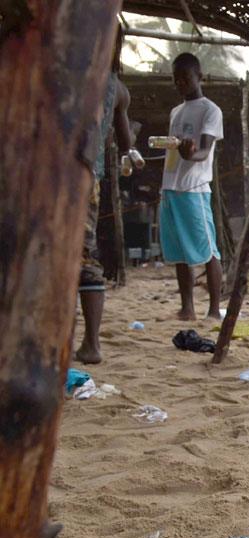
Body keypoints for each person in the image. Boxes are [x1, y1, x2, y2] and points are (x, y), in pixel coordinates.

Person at [76, 27, 137, 364]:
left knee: (78, 259)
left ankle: (90, 345)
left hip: (63, 177)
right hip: (87, 178)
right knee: (83, 257)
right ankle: (90, 344)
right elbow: (128, 143)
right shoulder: (117, 88)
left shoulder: (69, 70)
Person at [160, 52, 225, 321]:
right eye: (176, 79)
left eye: (185, 78)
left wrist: (191, 154)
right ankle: (187, 308)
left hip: (194, 189)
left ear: (200, 77)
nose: (180, 84)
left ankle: (213, 309)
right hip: (170, 187)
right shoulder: (176, 111)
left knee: (208, 250)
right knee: (179, 253)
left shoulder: (211, 110)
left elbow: (205, 149)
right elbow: (174, 150)